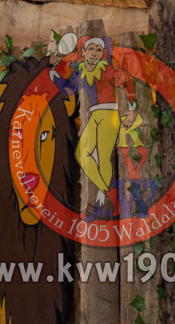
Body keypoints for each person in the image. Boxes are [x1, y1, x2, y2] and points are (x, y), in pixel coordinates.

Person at [49, 35, 136, 217]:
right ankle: (108, 195)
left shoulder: (109, 69)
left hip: (109, 115)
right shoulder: (81, 72)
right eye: (91, 49)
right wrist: (53, 71)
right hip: (95, 115)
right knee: (83, 154)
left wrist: (131, 109)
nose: (94, 53)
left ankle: (104, 201)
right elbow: (67, 89)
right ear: (85, 52)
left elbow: (128, 82)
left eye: (98, 50)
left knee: (102, 159)